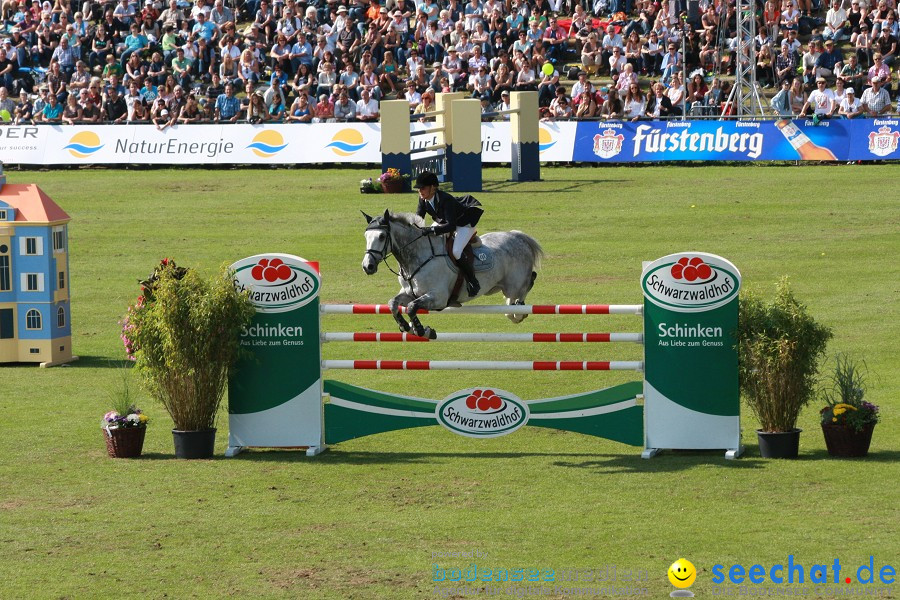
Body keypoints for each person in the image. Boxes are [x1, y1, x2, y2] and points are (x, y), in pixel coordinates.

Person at [414, 170, 483, 296]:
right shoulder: (423, 199)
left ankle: (472, 281)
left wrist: (432, 230)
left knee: (456, 251)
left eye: (423, 188)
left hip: (463, 224)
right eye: (419, 189)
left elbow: (451, 226)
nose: (420, 191)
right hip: (444, 222)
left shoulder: (446, 199)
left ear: (433, 187)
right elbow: (418, 219)